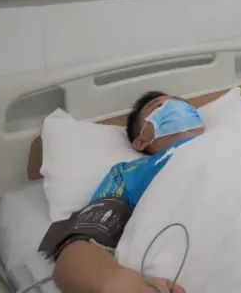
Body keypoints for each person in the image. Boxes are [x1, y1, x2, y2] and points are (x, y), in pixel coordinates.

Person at [40, 92, 204, 293]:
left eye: (181, 104)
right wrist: (122, 284)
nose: (174, 107)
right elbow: (75, 253)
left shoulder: (235, 133)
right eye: (158, 106)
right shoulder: (128, 175)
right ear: (141, 141)